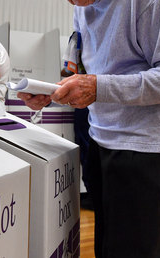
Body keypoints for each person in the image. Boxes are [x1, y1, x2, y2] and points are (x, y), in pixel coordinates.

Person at [18, 0, 160, 258]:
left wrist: (98, 87)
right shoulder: (80, 9)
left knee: (137, 249)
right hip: (101, 141)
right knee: (109, 246)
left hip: (142, 147)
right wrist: (54, 92)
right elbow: (90, 76)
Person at [61, 31, 93, 210]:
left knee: (85, 146)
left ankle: (92, 193)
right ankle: (95, 192)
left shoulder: (77, 37)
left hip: (84, 98)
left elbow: (68, 70)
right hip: (97, 98)